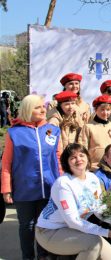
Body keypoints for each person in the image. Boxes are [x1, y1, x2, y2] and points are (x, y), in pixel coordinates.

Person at [35, 143, 111, 260]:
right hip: (50, 232)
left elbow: (99, 208)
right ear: (67, 163)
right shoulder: (64, 183)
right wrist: (106, 232)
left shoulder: (92, 178)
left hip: (74, 229)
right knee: (93, 244)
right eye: (73, 157)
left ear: (87, 157)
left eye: (81, 155)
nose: (78, 159)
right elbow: (73, 221)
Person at [1, 94, 62, 260]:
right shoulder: (14, 133)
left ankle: (43, 256)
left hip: (49, 187)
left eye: (43, 106)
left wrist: (63, 183)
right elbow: (6, 163)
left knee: (45, 225)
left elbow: (58, 159)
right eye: (37, 107)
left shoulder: (53, 130)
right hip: (24, 189)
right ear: (28, 109)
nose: (43, 110)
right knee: (27, 226)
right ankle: (28, 257)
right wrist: (6, 189)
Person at [79, 94, 111, 172]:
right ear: (96, 110)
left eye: (108, 110)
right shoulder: (88, 127)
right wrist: (85, 166)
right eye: (102, 109)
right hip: (94, 168)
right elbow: (82, 148)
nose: (105, 112)